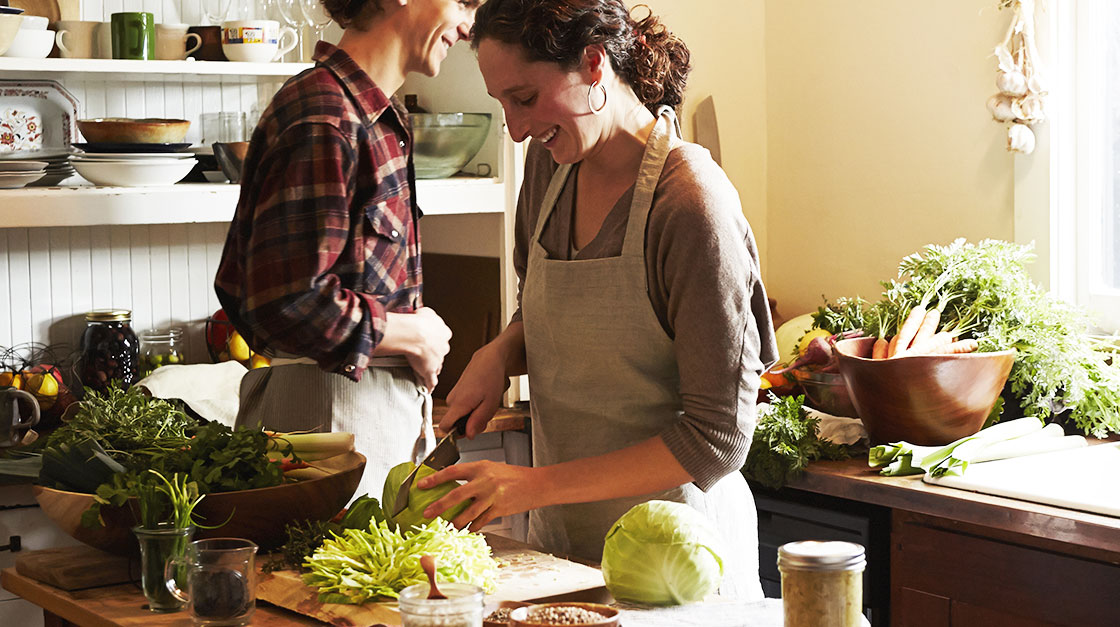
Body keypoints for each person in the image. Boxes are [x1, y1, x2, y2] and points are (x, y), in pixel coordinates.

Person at [418, 0, 778, 599]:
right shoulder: (549, 167)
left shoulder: (691, 205)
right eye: (501, 103)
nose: (513, 128)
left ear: (592, 64)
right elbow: (547, 307)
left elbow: (717, 439)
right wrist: (502, 352)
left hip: (677, 564)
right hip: (563, 555)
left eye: (524, 98)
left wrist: (530, 486)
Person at [213, 0, 480, 499]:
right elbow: (287, 301)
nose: (468, 26)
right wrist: (409, 333)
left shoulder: (377, 114)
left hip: (366, 410)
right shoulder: (325, 115)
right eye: (465, 2)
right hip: (329, 416)